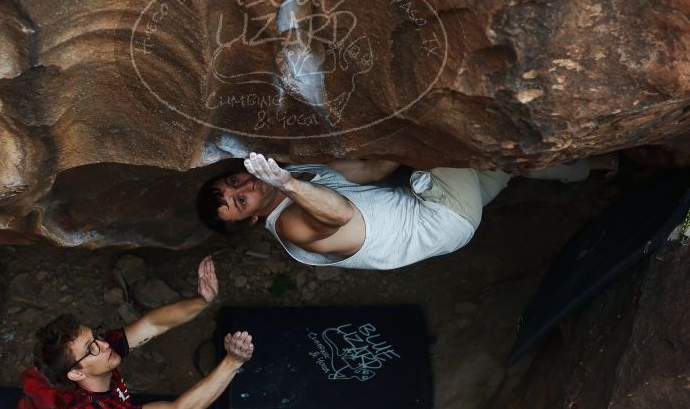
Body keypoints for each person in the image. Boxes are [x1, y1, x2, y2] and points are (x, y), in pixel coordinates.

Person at [196, 152, 617, 270]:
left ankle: (605, 167)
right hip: (440, 215)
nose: (245, 187)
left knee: (502, 160)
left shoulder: (299, 173)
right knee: (452, 142)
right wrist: (288, 185)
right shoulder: (289, 225)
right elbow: (340, 215)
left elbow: (375, 167)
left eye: (234, 183)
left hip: (440, 221)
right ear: (252, 219)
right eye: (240, 202)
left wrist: (293, 174)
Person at [16, 256, 254, 409]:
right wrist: (232, 361)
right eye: (92, 347)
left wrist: (202, 301)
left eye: (95, 336)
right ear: (76, 373)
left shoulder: (99, 357)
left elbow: (152, 324)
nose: (104, 343)